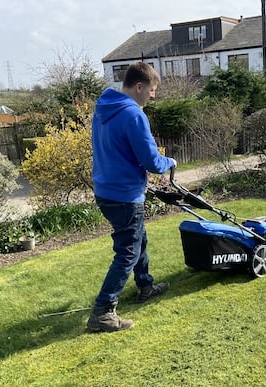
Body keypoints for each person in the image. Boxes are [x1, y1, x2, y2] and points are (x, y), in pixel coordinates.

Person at [87, 61, 176, 332]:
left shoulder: (104, 108)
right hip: (124, 194)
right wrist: (169, 162)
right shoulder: (133, 114)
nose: (153, 95)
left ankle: (145, 285)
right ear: (139, 86)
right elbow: (150, 160)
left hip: (106, 190)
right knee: (128, 251)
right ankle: (103, 311)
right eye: (151, 90)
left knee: (138, 239)